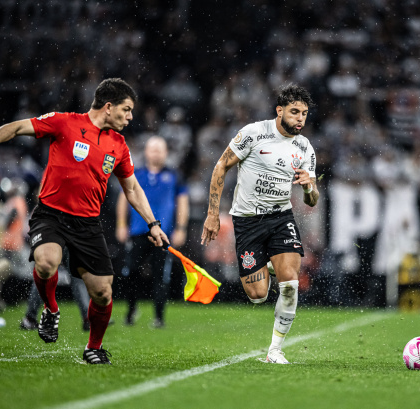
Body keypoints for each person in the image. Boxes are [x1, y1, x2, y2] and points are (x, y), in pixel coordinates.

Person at [0, 78, 169, 364]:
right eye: (126, 110)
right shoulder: (64, 122)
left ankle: (94, 347)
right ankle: (51, 310)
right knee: (45, 262)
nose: (130, 117)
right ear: (108, 106)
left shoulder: (119, 145)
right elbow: (15, 128)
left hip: (88, 224)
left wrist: (153, 223)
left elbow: (132, 188)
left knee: (103, 292)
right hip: (51, 214)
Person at [201, 84, 319, 364]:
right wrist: (213, 213)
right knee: (257, 295)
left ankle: (275, 350)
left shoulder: (304, 147)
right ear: (279, 111)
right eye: (294, 112)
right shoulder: (253, 133)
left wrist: (308, 188)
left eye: (304, 113)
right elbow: (221, 166)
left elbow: (313, 199)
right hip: (247, 221)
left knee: (290, 283)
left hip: (281, 218)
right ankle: (268, 264)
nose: (300, 118)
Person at [116, 136, 189, 328]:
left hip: (164, 234)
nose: (156, 153)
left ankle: (159, 317)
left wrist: (181, 228)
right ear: (146, 152)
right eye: (153, 149)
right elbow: (124, 198)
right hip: (138, 231)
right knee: (129, 272)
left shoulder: (175, 175)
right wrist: (122, 224)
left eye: (159, 149)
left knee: (161, 276)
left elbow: (182, 202)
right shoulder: (135, 173)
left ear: (166, 153)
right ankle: (131, 310)